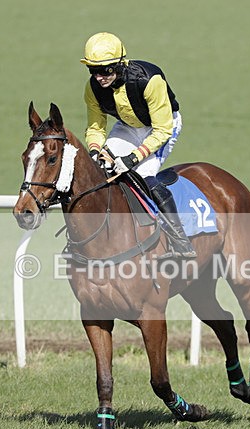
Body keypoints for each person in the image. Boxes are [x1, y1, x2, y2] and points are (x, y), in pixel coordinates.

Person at [80, 32, 196, 259]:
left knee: (143, 177)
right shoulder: (92, 88)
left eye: (105, 70)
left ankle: (181, 242)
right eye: (93, 71)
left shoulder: (149, 80)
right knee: (102, 170)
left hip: (162, 126)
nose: (99, 77)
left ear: (121, 65)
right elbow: (95, 127)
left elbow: (163, 130)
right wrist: (95, 151)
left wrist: (133, 158)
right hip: (127, 126)